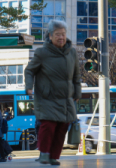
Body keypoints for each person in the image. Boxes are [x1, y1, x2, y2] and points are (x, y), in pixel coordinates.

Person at [25, 20, 81, 166]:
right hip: (47, 97)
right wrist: (29, 86)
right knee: (48, 125)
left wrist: (78, 92)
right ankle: (44, 153)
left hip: (66, 98)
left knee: (62, 127)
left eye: (63, 34)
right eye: (57, 34)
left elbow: (76, 75)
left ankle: (53, 156)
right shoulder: (42, 53)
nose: (61, 37)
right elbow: (30, 70)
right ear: (50, 36)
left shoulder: (72, 52)